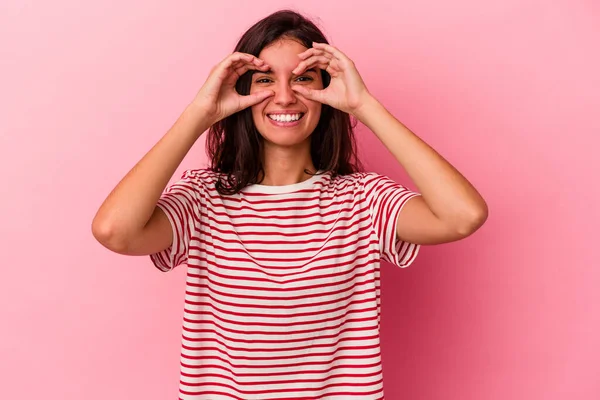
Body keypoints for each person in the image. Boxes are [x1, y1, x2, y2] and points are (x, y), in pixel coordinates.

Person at [92, 9, 488, 400]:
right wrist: (200, 114)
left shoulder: (363, 200)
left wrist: (364, 106)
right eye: (265, 80)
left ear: (326, 90)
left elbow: (462, 216)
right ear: (241, 92)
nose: (284, 96)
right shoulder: (203, 198)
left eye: (302, 79)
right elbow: (115, 231)